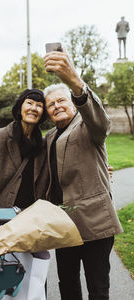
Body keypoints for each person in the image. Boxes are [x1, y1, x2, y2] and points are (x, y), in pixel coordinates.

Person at [43, 49, 123, 300]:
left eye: (61, 101)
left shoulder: (88, 126)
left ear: (73, 103)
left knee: (98, 287)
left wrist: (75, 83)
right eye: (51, 104)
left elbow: (101, 122)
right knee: (67, 285)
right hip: (64, 224)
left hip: (94, 224)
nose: (56, 106)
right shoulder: (49, 137)